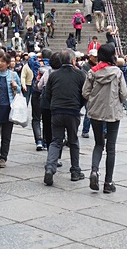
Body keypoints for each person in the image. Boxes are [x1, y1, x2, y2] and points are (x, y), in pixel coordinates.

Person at [82, 42, 127, 194]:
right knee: (111, 147)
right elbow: (124, 94)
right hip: (113, 113)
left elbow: (85, 92)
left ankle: (94, 171)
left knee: (98, 144)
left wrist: (94, 100)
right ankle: (108, 182)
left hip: (95, 112)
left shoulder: (93, 72)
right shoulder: (117, 72)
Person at [43, 49, 86, 186]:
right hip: (73, 111)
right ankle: (75, 171)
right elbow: (85, 94)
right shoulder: (80, 75)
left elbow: (47, 94)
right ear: (73, 61)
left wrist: (54, 106)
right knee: (73, 141)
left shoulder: (54, 76)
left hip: (56, 111)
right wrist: (78, 105)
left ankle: (50, 168)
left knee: (56, 141)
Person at [0, 51, 21, 170]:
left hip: (8, 109)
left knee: (6, 136)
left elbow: (20, 90)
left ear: (7, 64)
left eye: (2, 61)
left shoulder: (13, 75)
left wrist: (16, 86)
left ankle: (3, 158)